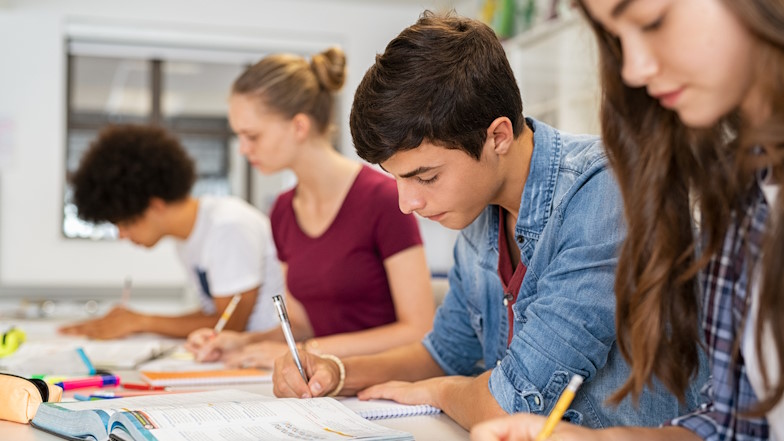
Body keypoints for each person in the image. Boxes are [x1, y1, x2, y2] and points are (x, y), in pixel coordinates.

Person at [272, 11, 704, 431]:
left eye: (425, 176)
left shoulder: (603, 192)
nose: (407, 203)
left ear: (497, 136)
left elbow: (510, 407)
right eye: (398, 179)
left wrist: (443, 392)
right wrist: (337, 370)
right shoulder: (480, 210)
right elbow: (445, 352)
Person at [471, 0, 784, 440]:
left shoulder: (595, 189)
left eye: (652, 21)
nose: (634, 69)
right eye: (616, 37)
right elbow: (734, 424)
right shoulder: (744, 197)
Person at [184, 47, 435, 368]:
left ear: (299, 126)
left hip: (385, 383)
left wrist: (308, 351)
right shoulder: (283, 211)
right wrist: (242, 342)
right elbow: (302, 325)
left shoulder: (385, 199)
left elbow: (418, 329)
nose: (244, 149)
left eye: (252, 136)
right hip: (323, 385)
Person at [59, 124, 283, 339]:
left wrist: (141, 322)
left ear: (155, 205)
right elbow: (214, 315)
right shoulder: (187, 239)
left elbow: (230, 325)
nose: (122, 236)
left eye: (125, 224)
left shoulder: (228, 226)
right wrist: (136, 321)